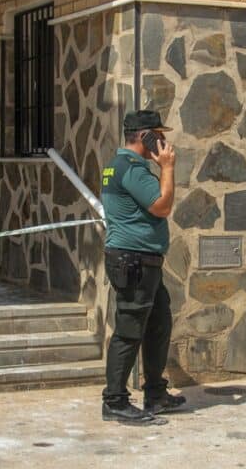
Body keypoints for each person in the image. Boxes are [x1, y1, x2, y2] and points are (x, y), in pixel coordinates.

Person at [100, 109, 186, 423]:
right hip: (134, 261)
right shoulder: (132, 168)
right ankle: (115, 401)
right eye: (158, 135)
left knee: (158, 322)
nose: (163, 141)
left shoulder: (119, 164)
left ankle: (155, 393)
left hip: (141, 261)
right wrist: (168, 167)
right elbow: (161, 206)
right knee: (130, 330)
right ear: (145, 136)